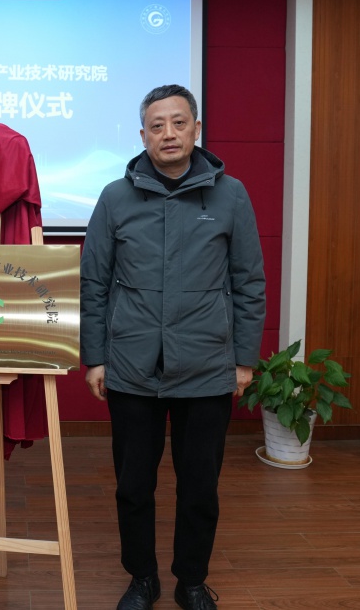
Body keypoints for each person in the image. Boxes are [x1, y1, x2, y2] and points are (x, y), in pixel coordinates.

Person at [80, 85, 265, 610]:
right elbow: (93, 283)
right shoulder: (115, 197)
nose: (168, 133)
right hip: (131, 365)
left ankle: (191, 581)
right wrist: (95, 357)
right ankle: (142, 578)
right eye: (157, 125)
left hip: (207, 364)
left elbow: (249, 282)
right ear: (143, 135)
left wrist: (244, 360)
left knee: (200, 485)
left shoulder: (231, 196)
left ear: (196, 129)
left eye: (179, 123)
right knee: (133, 485)